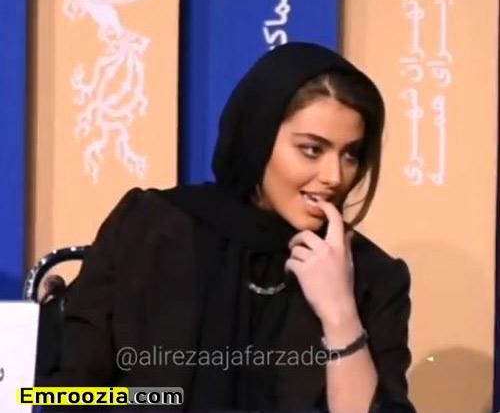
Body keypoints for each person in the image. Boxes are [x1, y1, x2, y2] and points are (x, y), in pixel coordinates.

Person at [40, 42, 415, 412]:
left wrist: (340, 313)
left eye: (351, 155)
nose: (334, 176)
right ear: (258, 138)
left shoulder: (374, 277)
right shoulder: (153, 228)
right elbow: (63, 394)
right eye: (312, 150)